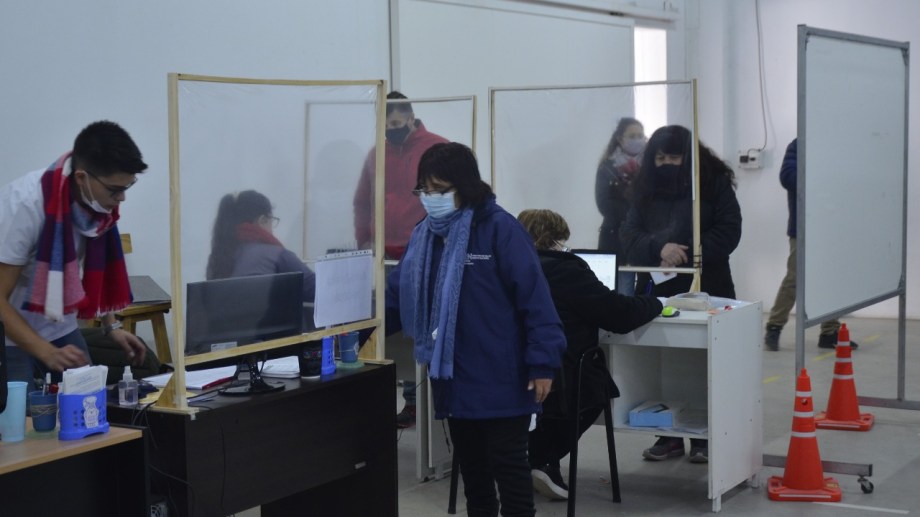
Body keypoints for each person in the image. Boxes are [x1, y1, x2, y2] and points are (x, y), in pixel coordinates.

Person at [386, 142, 566, 517]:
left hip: (504, 375)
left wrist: (543, 363)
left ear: (465, 185)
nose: (430, 198)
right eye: (424, 190)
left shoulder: (501, 229)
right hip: (454, 378)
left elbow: (536, 302)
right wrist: (357, 330)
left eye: (439, 189)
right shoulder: (425, 236)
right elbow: (398, 294)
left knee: (511, 471)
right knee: (474, 475)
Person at [517, 208, 662, 501]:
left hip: (514, 372)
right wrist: (654, 303)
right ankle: (542, 459)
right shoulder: (567, 270)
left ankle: (534, 459)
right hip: (561, 374)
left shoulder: (509, 267)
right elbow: (619, 315)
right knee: (598, 388)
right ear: (555, 240)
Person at [620, 125, 741, 463]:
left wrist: (687, 253)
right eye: (660, 158)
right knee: (664, 361)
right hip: (659, 287)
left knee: (708, 362)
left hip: (709, 284)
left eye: (674, 158)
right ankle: (668, 434)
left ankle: (706, 436)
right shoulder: (644, 187)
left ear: (689, 158)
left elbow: (729, 230)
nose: (666, 164)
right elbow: (629, 233)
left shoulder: (713, 183)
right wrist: (659, 247)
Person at [0, 121, 149, 394]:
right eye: (114, 189)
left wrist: (111, 327)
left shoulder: (97, 208)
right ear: (81, 178)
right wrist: (45, 351)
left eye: (127, 187)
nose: (122, 198)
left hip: (58, 322)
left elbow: (93, 274)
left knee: (89, 401)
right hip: (8, 333)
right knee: (22, 415)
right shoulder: (25, 205)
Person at [353, 91, 450, 428]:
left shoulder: (436, 149)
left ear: (410, 118)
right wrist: (364, 240)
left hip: (423, 252)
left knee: (420, 325)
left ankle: (424, 402)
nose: (390, 131)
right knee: (390, 327)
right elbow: (362, 201)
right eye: (385, 126)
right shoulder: (376, 154)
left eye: (395, 124)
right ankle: (406, 401)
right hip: (384, 257)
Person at [763, 139, 857, 351]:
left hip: (831, 228)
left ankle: (830, 331)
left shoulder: (835, 145)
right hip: (803, 227)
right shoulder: (799, 144)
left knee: (832, 278)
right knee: (794, 278)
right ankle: (774, 327)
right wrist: (822, 177)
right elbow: (788, 177)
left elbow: (847, 181)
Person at [205, 189, 316, 304]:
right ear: (262, 220)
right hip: (267, 316)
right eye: (272, 220)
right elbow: (315, 289)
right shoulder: (275, 255)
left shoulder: (217, 257)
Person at [594, 117, 646, 295]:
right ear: (620, 139)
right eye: (632, 136)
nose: (637, 140)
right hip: (615, 237)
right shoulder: (607, 167)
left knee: (645, 293)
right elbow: (604, 203)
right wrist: (635, 215)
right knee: (621, 292)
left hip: (645, 238)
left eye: (640, 135)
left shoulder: (651, 164)